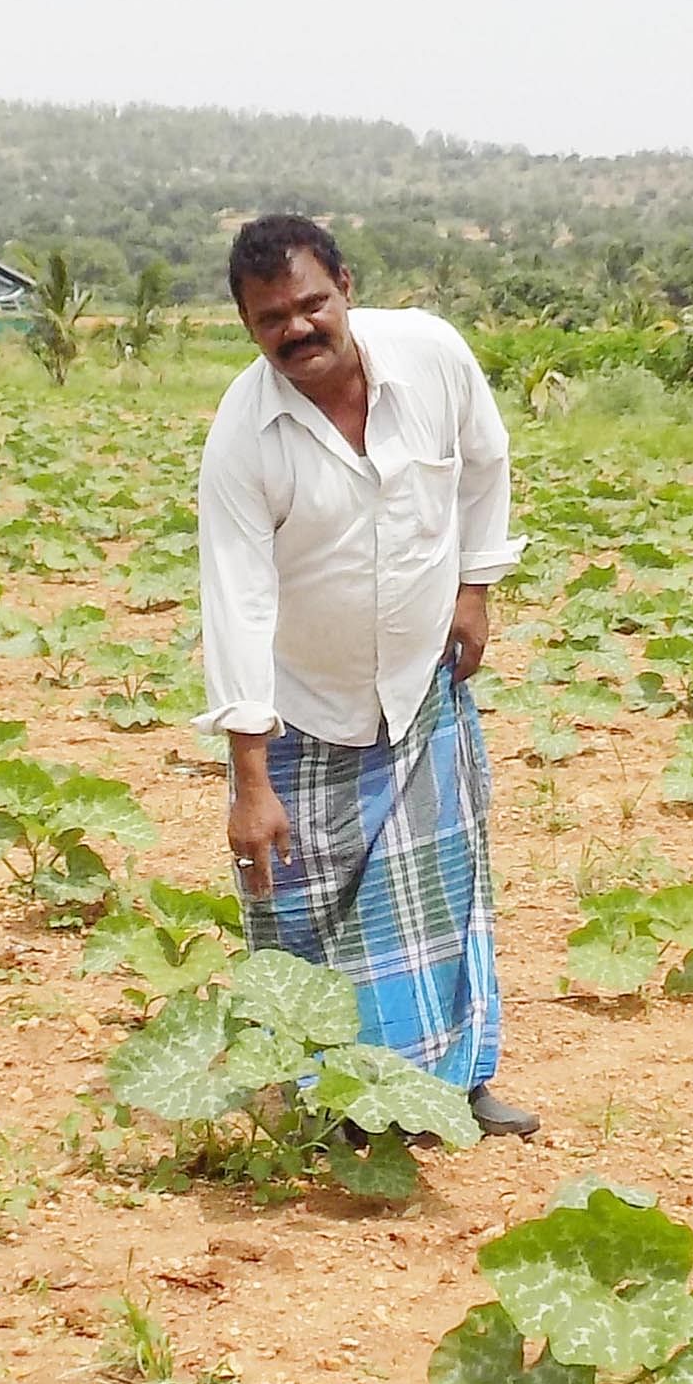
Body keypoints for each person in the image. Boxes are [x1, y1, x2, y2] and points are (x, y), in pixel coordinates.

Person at [194, 213, 536, 1139]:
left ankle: (459, 1082)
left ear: (344, 284)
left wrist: (475, 588)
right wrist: (250, 781)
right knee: (302, 914)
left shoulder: (430, 355)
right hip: (305, 701)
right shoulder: (243, 438)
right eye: (273, 319)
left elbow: (486, 460)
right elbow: (234, 599)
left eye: (312, 303)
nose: (298, 329)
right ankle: (328, 1105)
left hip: (420, 685)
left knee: (442, 894)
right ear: (248, 326)